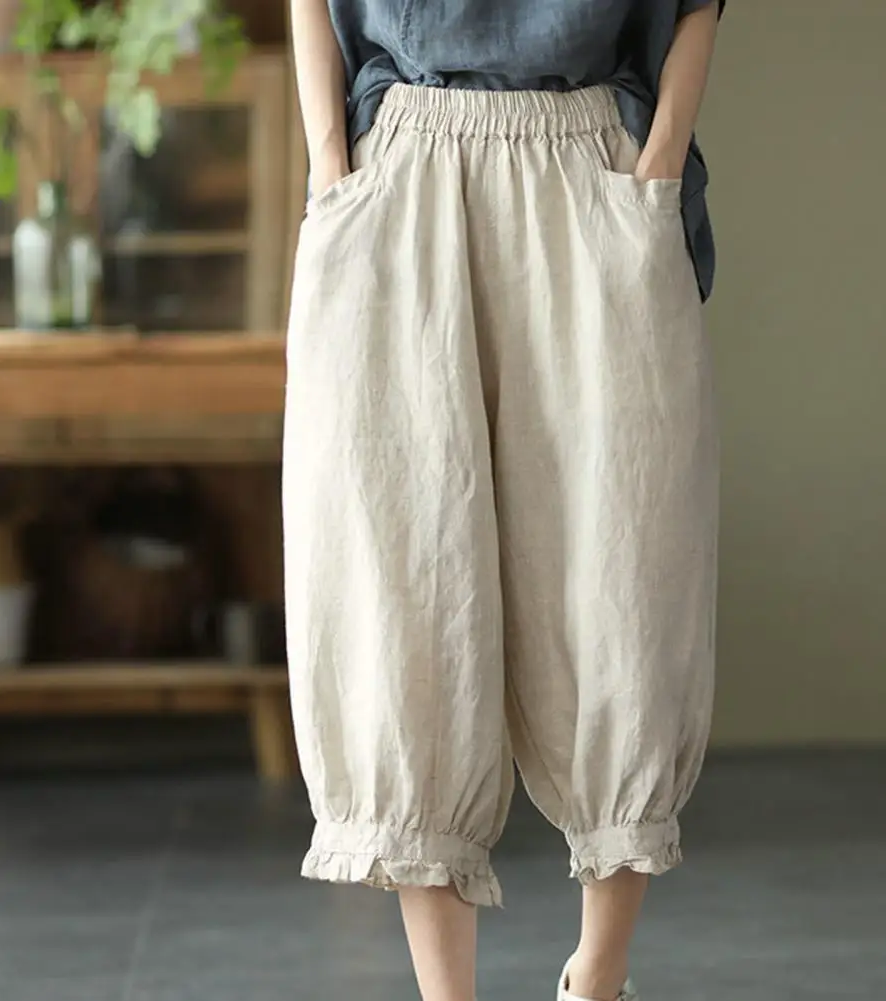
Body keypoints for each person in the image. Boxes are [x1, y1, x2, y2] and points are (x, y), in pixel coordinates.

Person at [282, 2, 723, 1000]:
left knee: (622, 566)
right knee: (401, 576)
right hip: (400, 163)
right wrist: (329, 168)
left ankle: (598, 975)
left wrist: (658, 161)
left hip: (592, 163)